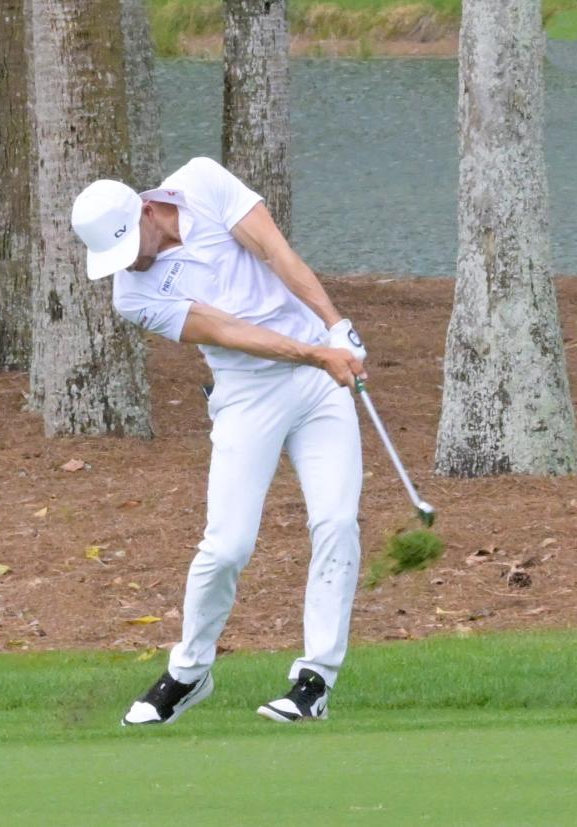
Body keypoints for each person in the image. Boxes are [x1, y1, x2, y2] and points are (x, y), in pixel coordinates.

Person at [70, 157, 367, 725]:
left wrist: (334, 324)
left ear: (148, 210)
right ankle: (189, 671)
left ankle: (315, 680)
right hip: (246, 394)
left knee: (336, 523)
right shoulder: (132, 297)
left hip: (318, 384)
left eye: (130, 244)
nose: (128, 263)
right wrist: (319, 352)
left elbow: (275, 253)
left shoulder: (203, 182)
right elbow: (231, 333)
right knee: (227, 546)